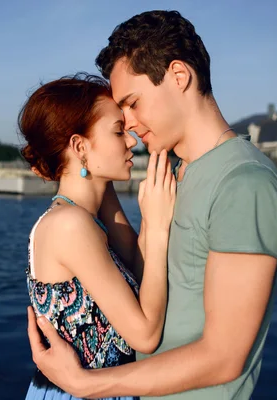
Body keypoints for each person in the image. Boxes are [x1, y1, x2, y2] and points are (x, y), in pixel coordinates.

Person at [27, 10, 277, 400]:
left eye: (133, 103)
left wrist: (86, 384)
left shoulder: (242, 184)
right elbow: (143, 275)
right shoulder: (167, 172)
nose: (130, 124)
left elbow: (223, 357)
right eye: (122, 116)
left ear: (179, 76)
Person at [19, 73, 177, 400]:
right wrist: (159, 226)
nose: (132, 139)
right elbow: (145, 335)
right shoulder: (70, 225)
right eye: (118, 131)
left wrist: (143, 212)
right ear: (79, 146)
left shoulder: (85, 211)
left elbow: (138, 264)